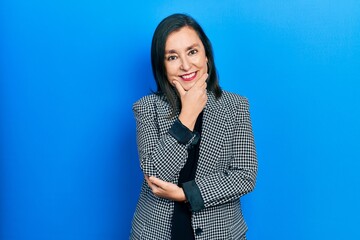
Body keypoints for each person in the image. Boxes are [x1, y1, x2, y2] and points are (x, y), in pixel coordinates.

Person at [130, 13, 258, 240]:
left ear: (206, 55)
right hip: (157, 233)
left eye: (192, 52)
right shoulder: (146, 108)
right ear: (162, 65)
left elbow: (244, 176)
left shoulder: (236, 106)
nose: (185, 65)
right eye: (172, 57)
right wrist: (187, 116)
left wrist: (185, 194)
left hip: (220, 232)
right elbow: (156, 177)